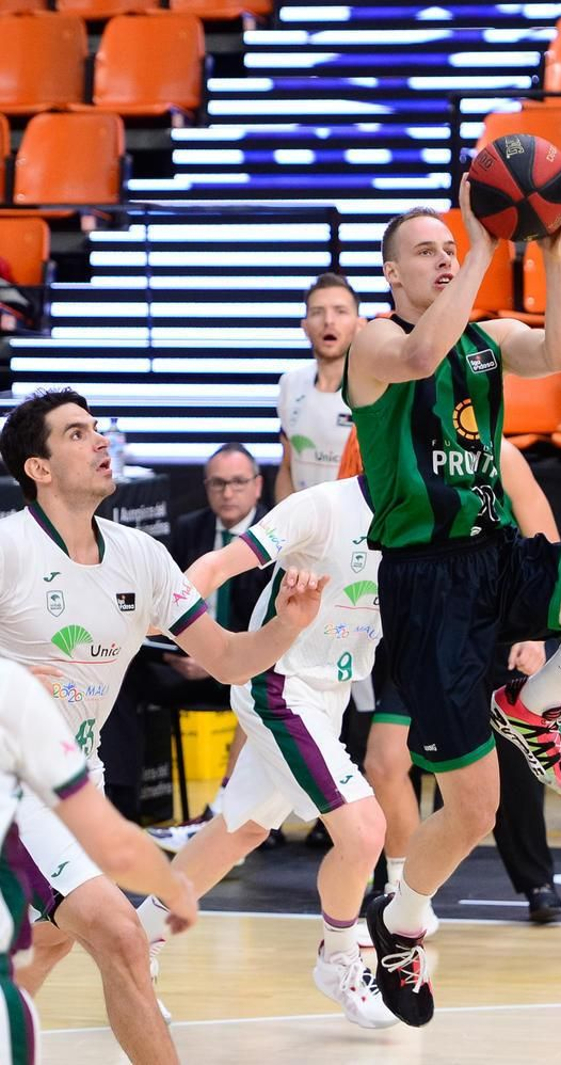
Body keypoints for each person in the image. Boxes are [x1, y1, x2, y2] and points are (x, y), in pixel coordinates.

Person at [345, 175, 561, 1026]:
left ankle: (541, 702)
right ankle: (401, 920)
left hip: (497, 555)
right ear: (390, 275)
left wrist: (557, 253)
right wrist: (488, 245)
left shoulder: (485, 341)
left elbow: (560, 352)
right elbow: (422, 358)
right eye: (428, 250)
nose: (447, 258)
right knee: (476, 809)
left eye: (452, 247)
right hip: (427, 586)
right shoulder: (372, 343)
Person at [0, 389, 327, 1065]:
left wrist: (285, 626)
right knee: (120, 933)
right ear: (38, 466)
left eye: (98, 429)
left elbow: (230, 659)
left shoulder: (141, 555)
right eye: (76, 433)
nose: (99, 441)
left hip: (74, 784)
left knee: (54, 936)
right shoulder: (9, 547)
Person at [351, 434, 561, 953]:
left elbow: (545, 546)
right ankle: (403, 898)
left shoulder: (497, 453)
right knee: (383, 760)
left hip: (503, 626)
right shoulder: (390, 449)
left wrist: (536, 635)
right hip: (428, 625)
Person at [133, 472, 397, 1029]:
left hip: (333, 692)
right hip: (278, 684)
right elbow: (220, 564)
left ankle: (140, 936)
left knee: (242, 830)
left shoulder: (427, 517)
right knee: (366, 831)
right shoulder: (321, 507)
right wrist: (172, 610)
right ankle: (340, 956)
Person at [0, 657, 199, 1065]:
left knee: (56, 940)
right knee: (120, 934)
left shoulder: (21, 690)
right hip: (33, 806)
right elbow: (115, 846)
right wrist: (172, 888)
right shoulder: (17, 693)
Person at [136, 442, 275, 849]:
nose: (227, 493)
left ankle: (226, 811)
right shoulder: (186, 531)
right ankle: (118, 800)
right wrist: (174, 653)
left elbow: (273, 623)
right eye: (217, 484)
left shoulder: (275, 537)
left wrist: (218, 656)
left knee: (261, 683)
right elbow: (159, 603)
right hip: (184, 663)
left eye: (237, 483)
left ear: (257, 485)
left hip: (247, 664)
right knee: (123, 672)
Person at [276, 272, 361, 499]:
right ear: (304, 326)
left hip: (357, 524)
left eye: (340, 311)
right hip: (304, 523)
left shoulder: (376, 388)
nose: (328, 321)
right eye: (317, 312)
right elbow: (287, 465)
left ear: (359, 323)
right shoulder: (290, 383)